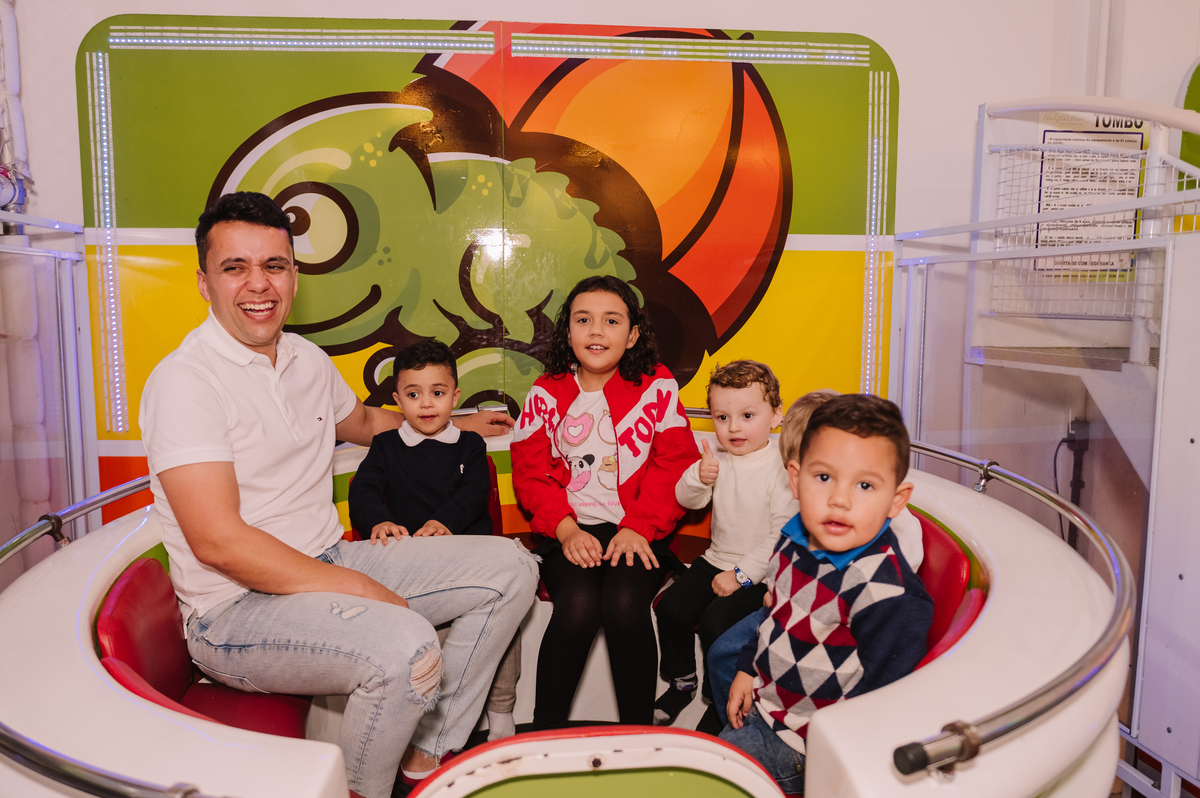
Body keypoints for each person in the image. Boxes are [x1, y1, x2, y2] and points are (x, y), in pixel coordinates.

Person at [139, 191, 535, 798]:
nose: (258, 284)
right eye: (235, 267)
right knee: (407, 649)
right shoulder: (184, 382)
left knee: (513, 566)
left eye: (274, 265)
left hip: (328, 558)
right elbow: (218, 542)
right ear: (204, 282)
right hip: (234, 611)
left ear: (294, 276)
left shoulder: (307, 358)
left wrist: (459, 424)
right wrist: (363, 589)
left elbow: (369, 423)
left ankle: (429, 750)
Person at [718, 394, 933, 793]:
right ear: (795, 479)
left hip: (806, 746)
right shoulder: (794, 538)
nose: (839, 499)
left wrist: (833, 764)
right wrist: (747, 668)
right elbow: (776, 617)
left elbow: (888, 701)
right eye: (823, 478)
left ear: (896, 501)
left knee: (710, 778)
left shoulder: (885, 589)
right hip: (766, 708)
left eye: (865, 485)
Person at [510, 275, 700, 728]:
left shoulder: (657, 385)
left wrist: (639, 527)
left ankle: (637, 736)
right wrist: (566, 530)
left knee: (624, 606)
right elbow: (530, 473)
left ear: (632, 335)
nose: (596, 331)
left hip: (638, 530)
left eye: (611, 321)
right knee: (577, 608)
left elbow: (674, 463)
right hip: (568, 529)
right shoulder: (545, 391)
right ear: (568, 331)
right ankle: (545, 735)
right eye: (583, 320)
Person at [347, 338, 522, 744]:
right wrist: (379, 521)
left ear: (455, 397)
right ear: (397, 401)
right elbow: (364, 491)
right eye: (413, 395)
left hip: (471, 557)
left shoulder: (470, 444)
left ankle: (501, 714)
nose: (426, 404)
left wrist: (444, 522)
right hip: (418, 567)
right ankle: (429, 730)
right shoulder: (386, 446)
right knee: (431, 640)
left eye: (437, 393)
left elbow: (474, 493)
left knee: (504, 627)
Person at [652, 360, 796, 726]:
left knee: (717, 624)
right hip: (714, 559)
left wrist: (741, 575)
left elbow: (781, 536)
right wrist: (699, 478)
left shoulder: (781, 467)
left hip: (759, 573)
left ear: (776, 415)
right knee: (671, 609)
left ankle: (720, 698)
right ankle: (683, 681)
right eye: (722, 417)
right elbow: (688, 499)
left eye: (747, 416)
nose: (734, 428)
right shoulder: (716, 458)